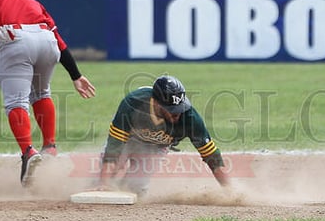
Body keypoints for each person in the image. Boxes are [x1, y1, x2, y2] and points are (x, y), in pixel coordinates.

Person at [0, 0, 96, 186]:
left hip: (16, 38)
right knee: (41, 93)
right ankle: (50, 147)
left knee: (16, 102)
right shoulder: (29, 1)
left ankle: (28, 151)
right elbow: (59, 41)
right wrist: (76, 75)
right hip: (47, 40)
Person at [98, 75, 229, 196]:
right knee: (108, 176)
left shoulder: (190, 118)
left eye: (180, 107)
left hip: (156, 148)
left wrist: (230, 190)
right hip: (128, 140)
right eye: (171, 109)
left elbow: (212, 156)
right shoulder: (133, 104)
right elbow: (114, 146)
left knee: (134, 188)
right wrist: (103, 183)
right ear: (155, 102)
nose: (177, 114)